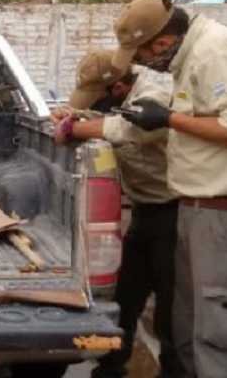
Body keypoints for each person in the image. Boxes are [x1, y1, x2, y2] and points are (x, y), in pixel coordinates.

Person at [111, 0, 227, 378]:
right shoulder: (193, 57)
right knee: (188, 328)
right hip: (197, 210)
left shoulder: (214, 51)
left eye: (140, 56)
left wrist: (169, 119)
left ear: (160, 42)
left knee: (221, 337)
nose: (143, 65)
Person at [52, 50, 182, 378]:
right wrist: (70, 116)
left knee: (173, 307)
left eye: (98, 98)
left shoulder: (156, 94)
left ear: (119, 88)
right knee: (127, 296)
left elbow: (132, 130)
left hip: (177, 212)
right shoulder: (118, 97)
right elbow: (97, 117)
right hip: (146, 210)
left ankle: (175, 371)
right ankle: (110, 367)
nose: (95, 105)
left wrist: (76, 130)